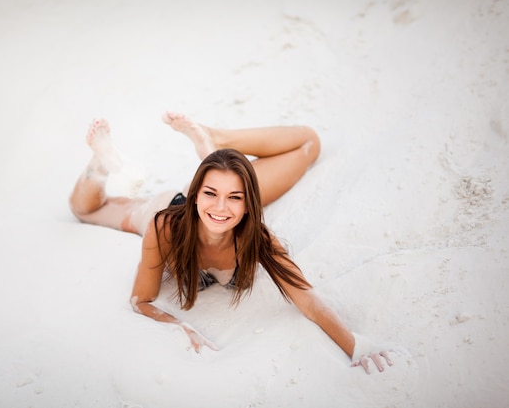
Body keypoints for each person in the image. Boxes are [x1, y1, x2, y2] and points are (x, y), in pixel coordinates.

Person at [70, 112, 393, 374]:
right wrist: (180, 327)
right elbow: (142, 299)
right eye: (209, 193)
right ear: (196, 194)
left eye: (235, 198)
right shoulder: (163, 226)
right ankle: (100, 165)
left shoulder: (258, 239)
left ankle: (216, 139)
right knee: (85, 209)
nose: (222, 207)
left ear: (249, 203)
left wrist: (354, 344)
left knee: (310, 142)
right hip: (173, 209)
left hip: (223, 212)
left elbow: (307, 299)